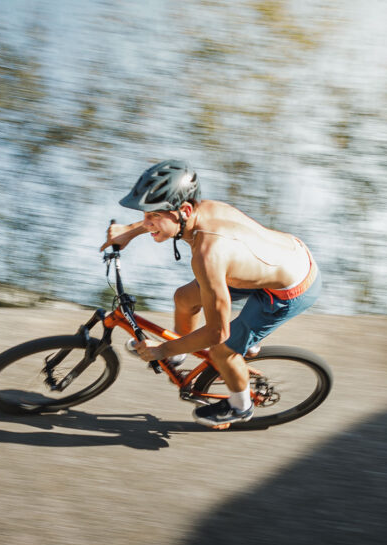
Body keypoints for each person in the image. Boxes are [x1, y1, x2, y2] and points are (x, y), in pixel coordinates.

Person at [100, 159, 321, 428]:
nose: (147, 222)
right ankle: (181, 353)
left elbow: (217, 332)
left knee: (221, 350)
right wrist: (130, 231)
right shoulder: (202, 210)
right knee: (184, 298)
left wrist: (162, 349)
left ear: (184, 210)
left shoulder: (208, 255)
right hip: (275, 260)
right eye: (145, 215)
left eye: (153, 216)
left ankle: (241, 406)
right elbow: (162, 219)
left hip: (291, 288)